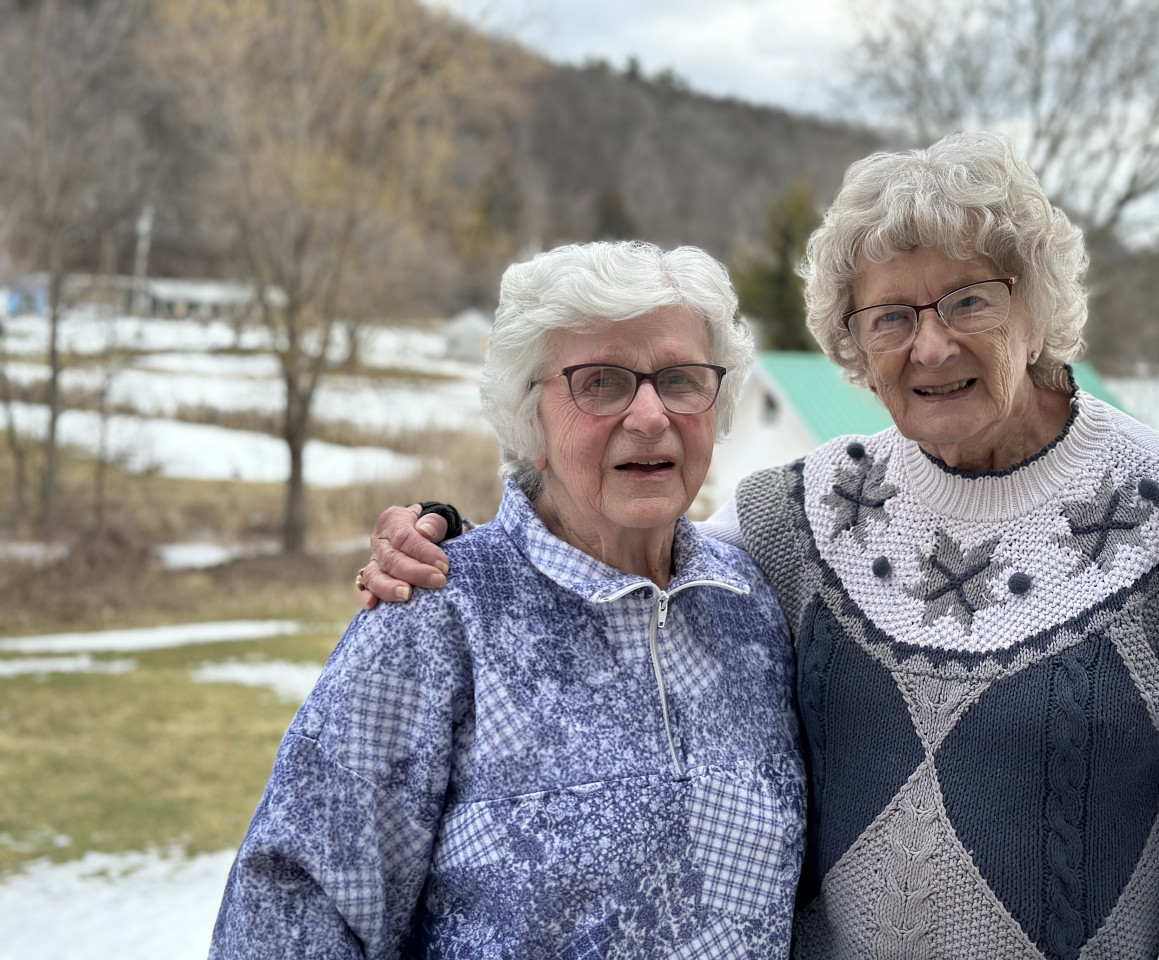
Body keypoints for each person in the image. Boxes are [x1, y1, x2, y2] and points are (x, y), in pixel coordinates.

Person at [361, 132, 1159, 958]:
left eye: (969, 302)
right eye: (890, 316)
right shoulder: (809, 511)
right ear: (853, 342)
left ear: (1034, 308)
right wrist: (450, 542)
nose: (929, 347)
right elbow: (609, 546)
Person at [210, 241, 807, 959]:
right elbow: (290, 918)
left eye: (680, 379)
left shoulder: (752, 612)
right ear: (532, 418)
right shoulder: (436, 616)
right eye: (602, 382)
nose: (650, 416)